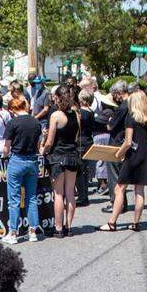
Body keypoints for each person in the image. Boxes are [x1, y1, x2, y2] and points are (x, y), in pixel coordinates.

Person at [99, 89, 147, 233]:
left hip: (133, 156)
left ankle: (112, 223)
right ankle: (135, 223)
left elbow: (128, 142)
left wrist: (119, 153)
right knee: (140, 190)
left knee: (120, 188)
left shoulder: (131, 117)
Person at [42, 85, 82, 238]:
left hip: (57, 156)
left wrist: (43, 150)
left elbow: (50, 141)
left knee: (58, 194)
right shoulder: (76, 114)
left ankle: (58, 228)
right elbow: (77, 137)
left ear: (58, 98)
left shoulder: (56, 115)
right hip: (72, 155)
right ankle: (69, 226)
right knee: (70, 192)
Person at [1, 97, 42, 245]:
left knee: (14, 199)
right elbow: (39, 144)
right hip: (32, 160)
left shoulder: (13, 123)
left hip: (17, 160)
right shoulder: (36, 122)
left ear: (12, 109)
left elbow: (6, 147)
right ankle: (32, 232)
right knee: (31, 197)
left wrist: (3, 155)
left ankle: (13, 233)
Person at [104, 82, 132, 213]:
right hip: (125, 140)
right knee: (122, 176)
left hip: (117, 142)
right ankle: (122, 203)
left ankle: (115, 203)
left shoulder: (122, 107)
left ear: (118, 93)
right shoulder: (132, 103)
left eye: (114, 94)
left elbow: (110, 126)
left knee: (114, 176)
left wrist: (109, 119)